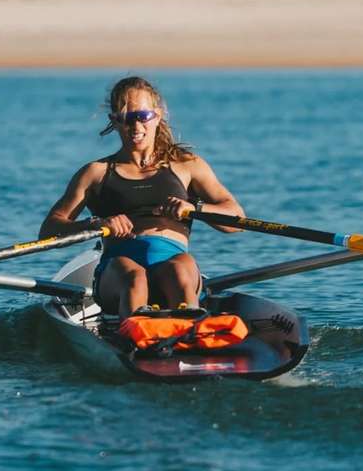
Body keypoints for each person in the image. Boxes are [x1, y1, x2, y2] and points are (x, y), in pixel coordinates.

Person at [39, 76, 245, 319]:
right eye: (126, 118)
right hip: (118, 274)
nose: (136, 127)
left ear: (157, 115)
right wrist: (95, 224)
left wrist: (193, 208)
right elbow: (48, 231)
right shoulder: (95, 173)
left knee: (179, 269)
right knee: (134, 277)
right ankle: (138, 337)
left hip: (174, 266)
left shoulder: (187, 165)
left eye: (142, 116)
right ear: (114, 121)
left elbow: (237, 219)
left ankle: (192, 332)